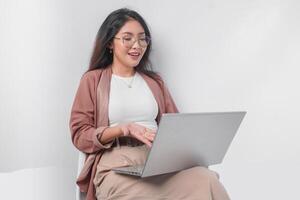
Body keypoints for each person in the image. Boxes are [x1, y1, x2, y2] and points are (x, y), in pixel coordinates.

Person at [69, 8, 230, 200]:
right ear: (110, 43)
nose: (137, 45)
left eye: (142, 38)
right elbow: (80, 134)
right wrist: (122, 129)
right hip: (115, 165)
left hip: (157, 162)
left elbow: (177, 127)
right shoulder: (93, 80)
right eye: (127, 38)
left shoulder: (155, 82)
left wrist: (199, 141)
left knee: (206, 179)